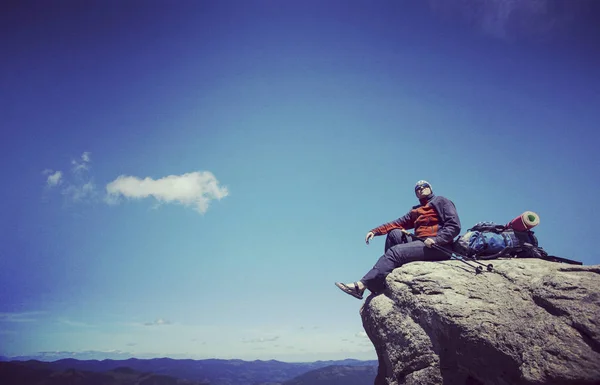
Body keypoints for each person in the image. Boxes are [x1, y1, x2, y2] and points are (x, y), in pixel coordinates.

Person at [335, 180, 461, 299]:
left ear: (430, 189)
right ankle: (385, 276)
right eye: (417, 188)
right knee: (394, 233)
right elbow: (397, 223)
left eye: (424, 186)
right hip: (422, 243)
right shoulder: (416, 210)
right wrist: (375, 231)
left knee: (396, 251)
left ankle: (362, 286)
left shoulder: (441, 201)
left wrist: (437, 240)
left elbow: (454, 226)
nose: (421, 189)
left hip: (439, 246)